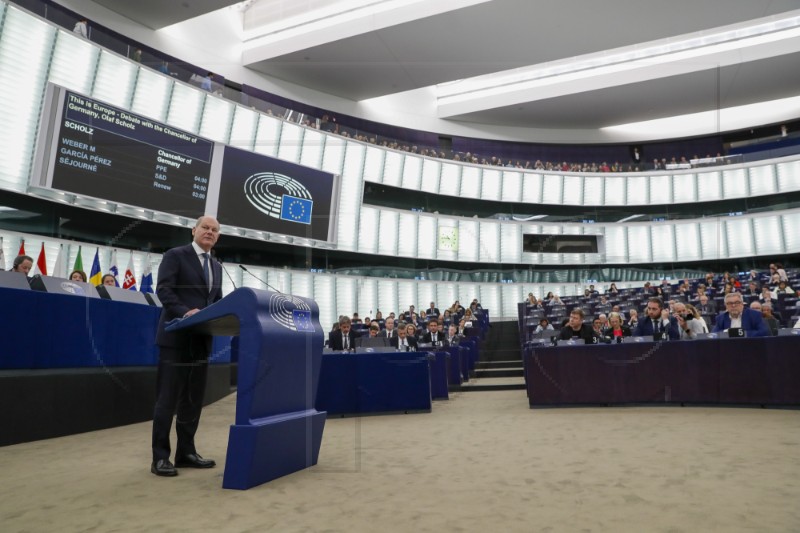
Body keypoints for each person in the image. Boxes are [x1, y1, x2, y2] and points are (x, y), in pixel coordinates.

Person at [151, 216, 223, 477]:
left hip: (201, 341)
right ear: (194, 230)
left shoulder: (216, 265)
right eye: (205, 227)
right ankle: (160, 457)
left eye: (215, 230)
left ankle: (186, 452)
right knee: (167, 400)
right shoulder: (175, 255)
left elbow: (217, 301)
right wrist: (185, 313)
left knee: (192, 401)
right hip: (176, 338)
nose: (210, 232)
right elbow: (164, 290)